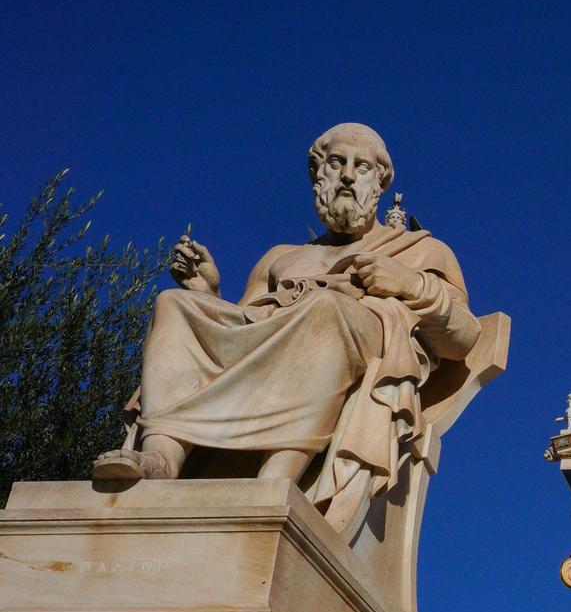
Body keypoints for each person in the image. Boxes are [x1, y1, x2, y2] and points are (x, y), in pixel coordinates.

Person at [93, 123, 479, 533]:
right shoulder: (281, 257)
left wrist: (411, 284)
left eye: (361, 166)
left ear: (379, 182)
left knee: (325, 309)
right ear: (319, 176)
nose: (348, 175)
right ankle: (161, 457)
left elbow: (464, 338)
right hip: (286, 338)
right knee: (173, 304)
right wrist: (209, 293)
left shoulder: (419, 250)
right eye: (336, 163)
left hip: (346, 337)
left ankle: (276, 478)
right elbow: (244, 334)